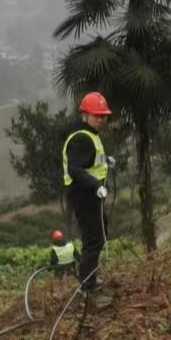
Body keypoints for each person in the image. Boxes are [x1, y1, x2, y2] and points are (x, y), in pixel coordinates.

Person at [62, 92, 116, 292]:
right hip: (83, 195)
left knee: (99, 234)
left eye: (104, 116)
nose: (101, 120)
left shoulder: (91, 136)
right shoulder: (82, 139)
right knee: (92, 239)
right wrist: (96, 185)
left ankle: (91, 278)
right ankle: (88, 287)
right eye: (97, 116)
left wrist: (106, 160)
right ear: (85, 114)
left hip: (92, 195)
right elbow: (75, 169)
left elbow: (90, 161)